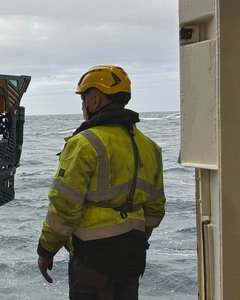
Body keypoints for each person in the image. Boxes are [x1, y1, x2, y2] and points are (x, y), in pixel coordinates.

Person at [36, 65, 166, 299]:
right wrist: (131, 239)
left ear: (94, 100)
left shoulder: (85, 144)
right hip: (133, 256)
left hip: (93, 261)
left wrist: (46, 250)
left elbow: (64, 207)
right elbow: (155, 210)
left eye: (83, 99)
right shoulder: (151, 148)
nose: (83, 106)